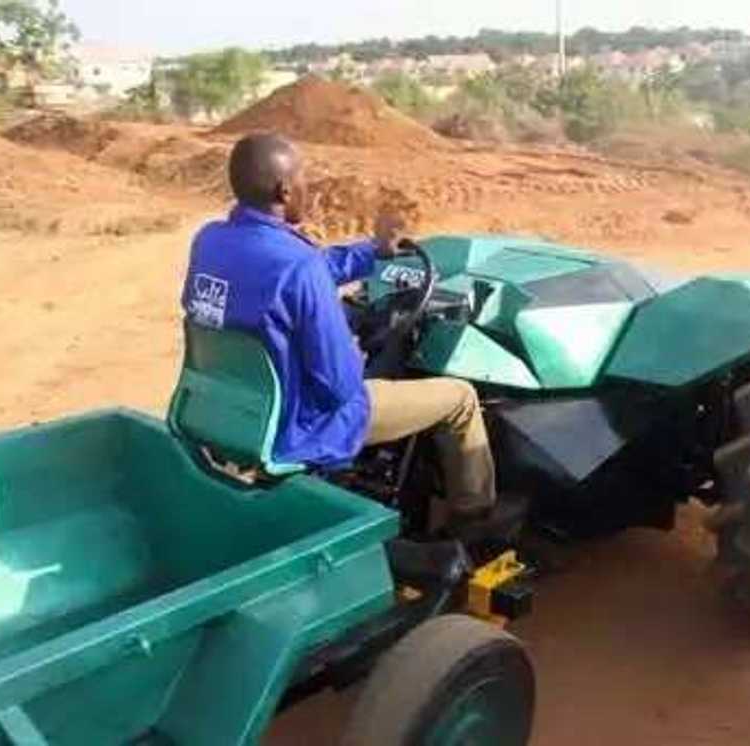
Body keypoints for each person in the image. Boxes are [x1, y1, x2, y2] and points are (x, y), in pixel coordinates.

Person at [181, 133, 516, 538]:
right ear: (284, 190)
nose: (308, 186)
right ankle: (472, 525)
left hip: (233, 409)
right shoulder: (299, 266)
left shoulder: (212, 241)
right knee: (459, 398)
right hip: (304, 427)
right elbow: (340, 386)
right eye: (303, 177)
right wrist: (361, 346)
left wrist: (372, 251)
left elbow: (298, 273)